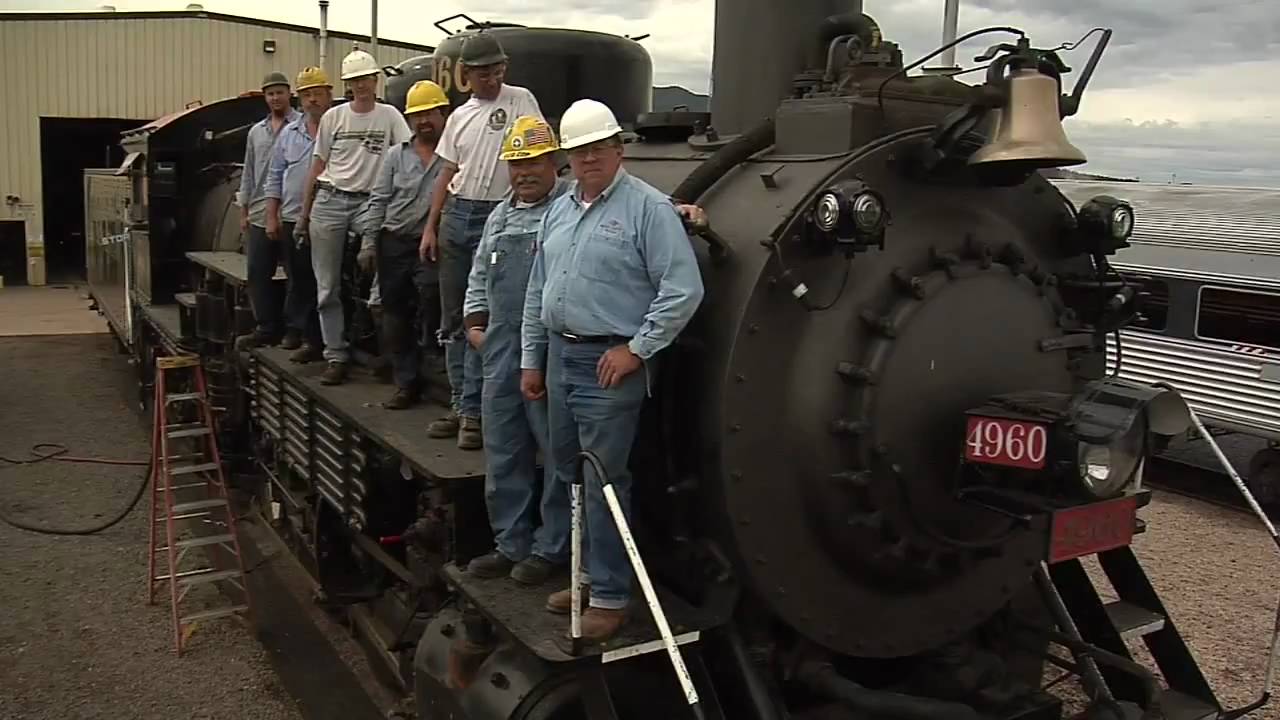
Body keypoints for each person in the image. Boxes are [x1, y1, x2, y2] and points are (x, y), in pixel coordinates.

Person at [521, 99, 705, 643]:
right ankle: (583, 576)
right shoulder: (559, 209)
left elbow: (683, 289)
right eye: (579, 151)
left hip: (608, 365)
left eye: (598, 148)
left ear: (619, 149)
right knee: (567, 471)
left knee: (602, 479)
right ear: (568, 157)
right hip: (560, 356)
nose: (589, 159)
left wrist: (637, 350)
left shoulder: (649, 209)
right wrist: (533, 359)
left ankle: (609, 596)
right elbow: (538, 290)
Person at [460, 116, 572, 586]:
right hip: (501, 347)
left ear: (554, 162)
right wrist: (474, 324)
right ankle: (511, 543)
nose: (524, 173)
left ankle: (552, 549)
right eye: (516, 163)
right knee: (504, 448)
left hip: (550, 348)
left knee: (556, 450)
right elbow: (479, 275)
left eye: (533, 162)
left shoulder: (571, 206)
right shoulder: (500, 215)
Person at [419, 32, 543, 450]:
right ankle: (463, 407)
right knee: (455, 319)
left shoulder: (521, 101)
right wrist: (431, 225)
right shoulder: (458, 117)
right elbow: (446, 172)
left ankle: (487, 410)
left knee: (490, 316)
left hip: (501, 214)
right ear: (466, 75)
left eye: (496, 70)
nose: (491, 79)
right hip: (459, 214)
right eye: (483, 73)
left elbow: (538, 154)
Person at [297, 48, 412, 385]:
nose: (360, 86)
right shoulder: (334, 118)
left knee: (387, 260)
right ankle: (335, 355)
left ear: (375, 80)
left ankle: (384, 343)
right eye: (354, 81)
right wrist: (304, 214)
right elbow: (317, 166)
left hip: (369, 204)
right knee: (327, 286)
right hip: (331, 200)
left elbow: (407, 157)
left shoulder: (390, 116)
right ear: (347, 85)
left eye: (365, 79)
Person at [358, 80, 450, 409]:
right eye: (417, 116)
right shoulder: (396, 156)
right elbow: (379, 200)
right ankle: (405, 382)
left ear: (443, 114)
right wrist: (369, 243)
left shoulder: (454, 156)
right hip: (395, 242)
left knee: (433, 296)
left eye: (430, 114)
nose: (423, 121)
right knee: (395, 313)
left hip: (433, 244)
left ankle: (434, 361)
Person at [262, 66, 331, 364]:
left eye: (318, 93)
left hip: (330, 216)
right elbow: (275, 176)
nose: (312, 99)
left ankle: (327, 340)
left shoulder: (340, 127)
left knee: (327, 282)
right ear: (299, 99)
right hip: (293, 216)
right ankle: (307, 336)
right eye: (307, 95)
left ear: (329, 95)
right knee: (301, 279)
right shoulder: (288, 134)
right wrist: (271, 215)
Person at [235, 71, 301, 351]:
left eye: (279, 92)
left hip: (293, 211)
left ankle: (294, 329)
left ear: (289, 94)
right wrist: (244, 210)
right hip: (261, 211)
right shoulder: (256, 133)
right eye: (270, 93)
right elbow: (249, 172)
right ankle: (266, 327)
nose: (275, 98)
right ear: (265, 97)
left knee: (297, 274)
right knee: (258, 272)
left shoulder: (302, 126)